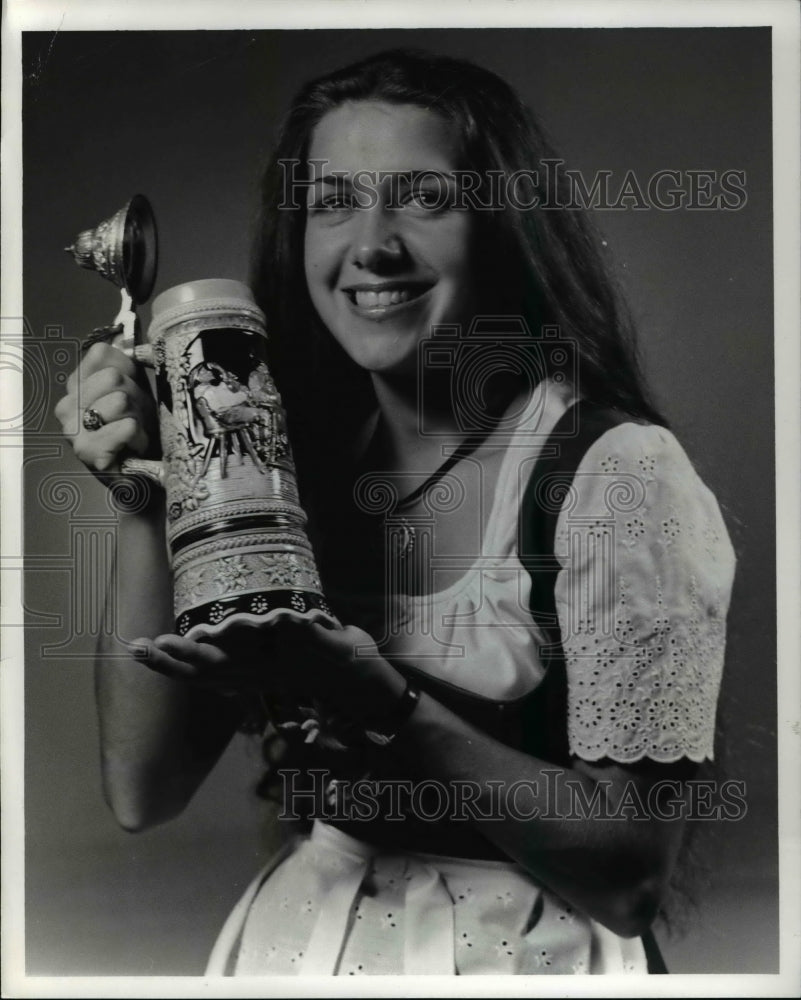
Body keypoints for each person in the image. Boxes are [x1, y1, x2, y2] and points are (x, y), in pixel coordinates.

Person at [54, 49, 736, 976]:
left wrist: (380, 703)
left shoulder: (614, 474)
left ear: (500, 227)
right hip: (297, 948)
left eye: (422, 197)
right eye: (332, 201)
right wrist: (149, 486)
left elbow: (628, 877)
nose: (371, 244)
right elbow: (144, 790)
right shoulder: (290, 463)